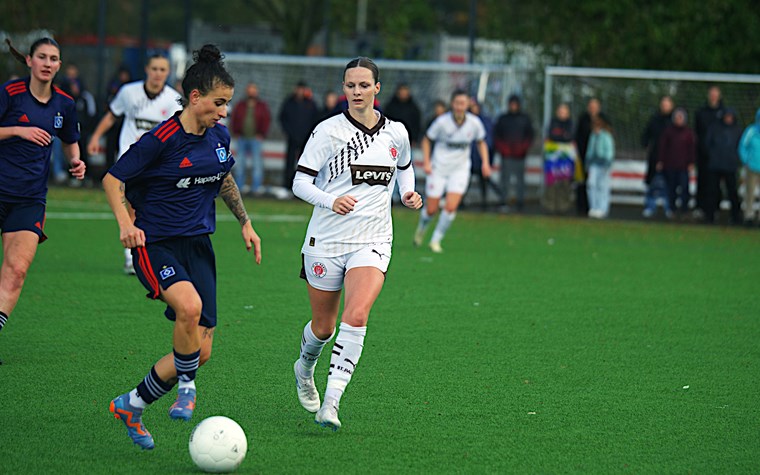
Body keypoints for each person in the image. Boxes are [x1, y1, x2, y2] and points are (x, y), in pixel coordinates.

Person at [104, 45, 262, 450]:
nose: (224, 112)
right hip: (155, 244)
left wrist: (245, 222)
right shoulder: (160, 139)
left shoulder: (219, 136)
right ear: (195, 98)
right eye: (219, 103)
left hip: (198, 245)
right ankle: (187, 387)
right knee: (188, 309)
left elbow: (223, 178)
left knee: (199, 350)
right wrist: (126, 224)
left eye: (227, 103)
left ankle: (133, 404)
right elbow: (112, 180)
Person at [290, 57, 422, 431]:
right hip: (327, 240)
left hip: (373, 239)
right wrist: (330, 200)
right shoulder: (328, 132)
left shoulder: (396, 132)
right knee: (323, 327)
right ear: (344, 88)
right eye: (351, 85)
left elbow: (405, 166)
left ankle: (331, 402)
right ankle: (304, 368)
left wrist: (408, 192)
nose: (357, 91)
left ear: (377, 88)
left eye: (364, 85)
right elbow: (300, 183)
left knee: (358, 314)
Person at [0, 38, 86, 364]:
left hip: (30, 199)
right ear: (29, 61)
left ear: (59, 65)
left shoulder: (64, 103)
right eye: (42, 57)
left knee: (17, 270)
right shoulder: (9, 94)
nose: (48, 63)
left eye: (54, 58)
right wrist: (18, 131)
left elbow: (70, 141)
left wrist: (76, 161)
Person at [88, 55, 182, 274]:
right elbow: (112, 116)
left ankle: (157, 252)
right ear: (147, 69)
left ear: (168, 73)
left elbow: (178, 131)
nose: (158, 73)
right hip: (130, 161)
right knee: (132, 207)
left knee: (159, 209)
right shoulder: (128, 92)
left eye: (163, 69)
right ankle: (131, 257)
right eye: (155, 68)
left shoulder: (174, 100)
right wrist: (95, 137)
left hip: (159, 164)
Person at [413, 89, 490, 253]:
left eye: (463, 103)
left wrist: (486, 163)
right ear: (452, 104)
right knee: (432, 209)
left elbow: (481, 142)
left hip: (460, 170)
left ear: (468, 104)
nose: (460, 107)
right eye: (457, 103)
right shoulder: (442, 122)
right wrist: (426, 162)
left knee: (450, 207)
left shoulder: (474, 123)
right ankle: (422, 227)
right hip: (439, 168)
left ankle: (435, 240)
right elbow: (427, 140)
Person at [493, 94, 534, 212]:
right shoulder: (503, 119)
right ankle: (503, 201)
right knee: (505, 179)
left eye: (515, 104)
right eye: (511, 104)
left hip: (520, 155)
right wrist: (503, 148)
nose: (513, 106)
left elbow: (529, 135)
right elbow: (497, 136)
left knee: (520, 180)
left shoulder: (525, 119)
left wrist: (523, 148)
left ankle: (520, 202)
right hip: (506, 155)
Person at [230, 82, 271, 195]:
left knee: (257, 164)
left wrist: (262, 134)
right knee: (240, 164)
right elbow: (234, 118)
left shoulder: (261, 105)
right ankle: (238, 188)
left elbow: (267, 120)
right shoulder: (241, 105)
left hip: (255, 139)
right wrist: (236, 132)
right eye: (250, 90)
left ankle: (256, 189)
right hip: (242, 138)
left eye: (253, 90)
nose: (251, 92)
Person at [59, 64, 97, 186]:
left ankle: (86, 176)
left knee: (83, 153)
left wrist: (87, 128)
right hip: (65, 131)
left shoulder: (85, 96)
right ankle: (70, 175)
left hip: (83, 131)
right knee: (67, 151)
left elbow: (92, 113)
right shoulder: (62, 95)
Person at [704, 108, 742, 224]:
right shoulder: (715, 128)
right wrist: (712, 155)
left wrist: (736, 159)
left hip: (730, 165)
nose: (728, 119)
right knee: (713, 191)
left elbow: (740, 146)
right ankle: (710, 215)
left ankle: (736, 216)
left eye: (730, 116)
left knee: (732, 191)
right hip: (715, 165)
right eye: (727, 116)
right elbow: (707, 143)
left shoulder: (737, 130)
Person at [278, 80, 318, 191]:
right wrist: (289, 132)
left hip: (306, 139)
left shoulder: (310, 104)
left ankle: (303, 187)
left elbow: (315, 120)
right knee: (289, 163)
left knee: (305, 164)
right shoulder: (289, 102)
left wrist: (309, 134)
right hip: (292, 138)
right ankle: (287, 186)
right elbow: (282, 118)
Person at [657, 108, 696, 217]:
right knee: (671, 188)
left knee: (684, 188)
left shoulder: (688, 133)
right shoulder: (668, 132)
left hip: (683, 166)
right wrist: (661, 161)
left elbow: (691, 149)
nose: (679, 120)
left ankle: (684, 209)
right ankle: (672, 209)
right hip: (670, 165)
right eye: (677, 117)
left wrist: (691, 162)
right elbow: (662, 147)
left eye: (681, 117)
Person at [641, 95, 674, 218]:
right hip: (655, 156)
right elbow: (646, 135)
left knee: (670, 184)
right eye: (663, 104)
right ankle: (650, 207)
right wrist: (645, 144)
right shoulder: (654, 119)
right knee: (652, 183)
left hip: (671, 158)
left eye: (667, 104)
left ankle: (669, 208)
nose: (665, 106)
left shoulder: (674, 121)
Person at [695, 86, 725, 217]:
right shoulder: (701, 112)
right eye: (711, 93)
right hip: (703, 154)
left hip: (719, 155)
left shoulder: (724, 112)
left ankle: (715, 208)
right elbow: (696, 133)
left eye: (715, 93)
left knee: (717, 183)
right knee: (702, 180)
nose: (713, 96)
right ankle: (700, 207)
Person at [468, 97, 503, 209]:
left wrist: (486, 159)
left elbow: (487, 141)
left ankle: (495, 200)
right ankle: (459, 202)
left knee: (485, 181)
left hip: (480, 158)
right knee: (463, 182)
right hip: (468, 159)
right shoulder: (465, 121)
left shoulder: (484, 121)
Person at [542, 103, 576, 213]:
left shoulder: (570, 123)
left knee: (564, 181)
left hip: (565, 159)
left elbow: (569, 136)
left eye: (564, 111)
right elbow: (552, 135)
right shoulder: (553, 122)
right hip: (553, 159)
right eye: (560, 111)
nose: (562, 114)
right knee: (552, 181)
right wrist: (562, 137)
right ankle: (550, 205)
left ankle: (564, 206)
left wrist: (561, 137)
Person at [574, 98, 603, 216]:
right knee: (583, 182)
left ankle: (599, 207)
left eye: (595, 106)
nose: (593, 108)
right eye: (591, 106)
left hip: (599, 159)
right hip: (583, 156)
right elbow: (578, 136)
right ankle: (582, 207)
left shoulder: (603, 120)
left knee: (598, 184)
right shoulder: (583, 119)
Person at [585, 115, 615, 218]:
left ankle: (602, 209)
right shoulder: (593, 136)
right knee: (592, 184)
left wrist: (607, 163)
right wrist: (587, 162)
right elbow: (590, 150)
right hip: (594, 164)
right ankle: (593, 207)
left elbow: (609, 151)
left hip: (603, 164)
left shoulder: (606, 136)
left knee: (602, 186)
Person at [739, 107, 760, 227]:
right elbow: (742, 146)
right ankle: (749, 217)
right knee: (749, 193)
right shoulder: (751, 131)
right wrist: (746, 160)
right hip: (751, 167)